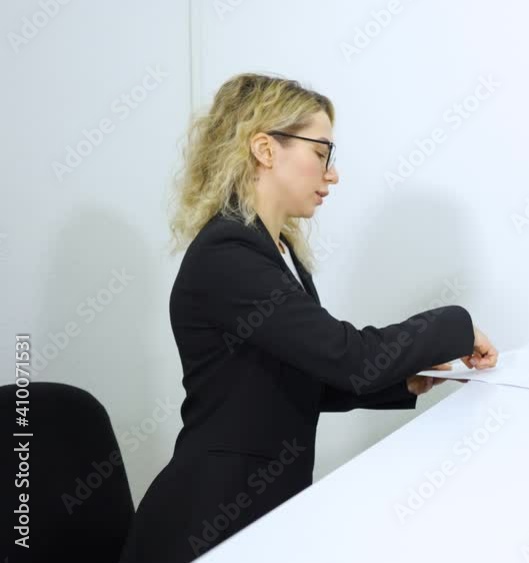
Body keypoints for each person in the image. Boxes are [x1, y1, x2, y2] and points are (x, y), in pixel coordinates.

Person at [118, 73, 498, 563]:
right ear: (264, 149)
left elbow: (301, 379)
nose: (332, 173)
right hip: (209, 523)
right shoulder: (228, 255)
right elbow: (344, 354)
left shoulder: (278, 251)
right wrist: (456, 324)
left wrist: (401, 383)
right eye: (322, 153)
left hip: (261, 513)